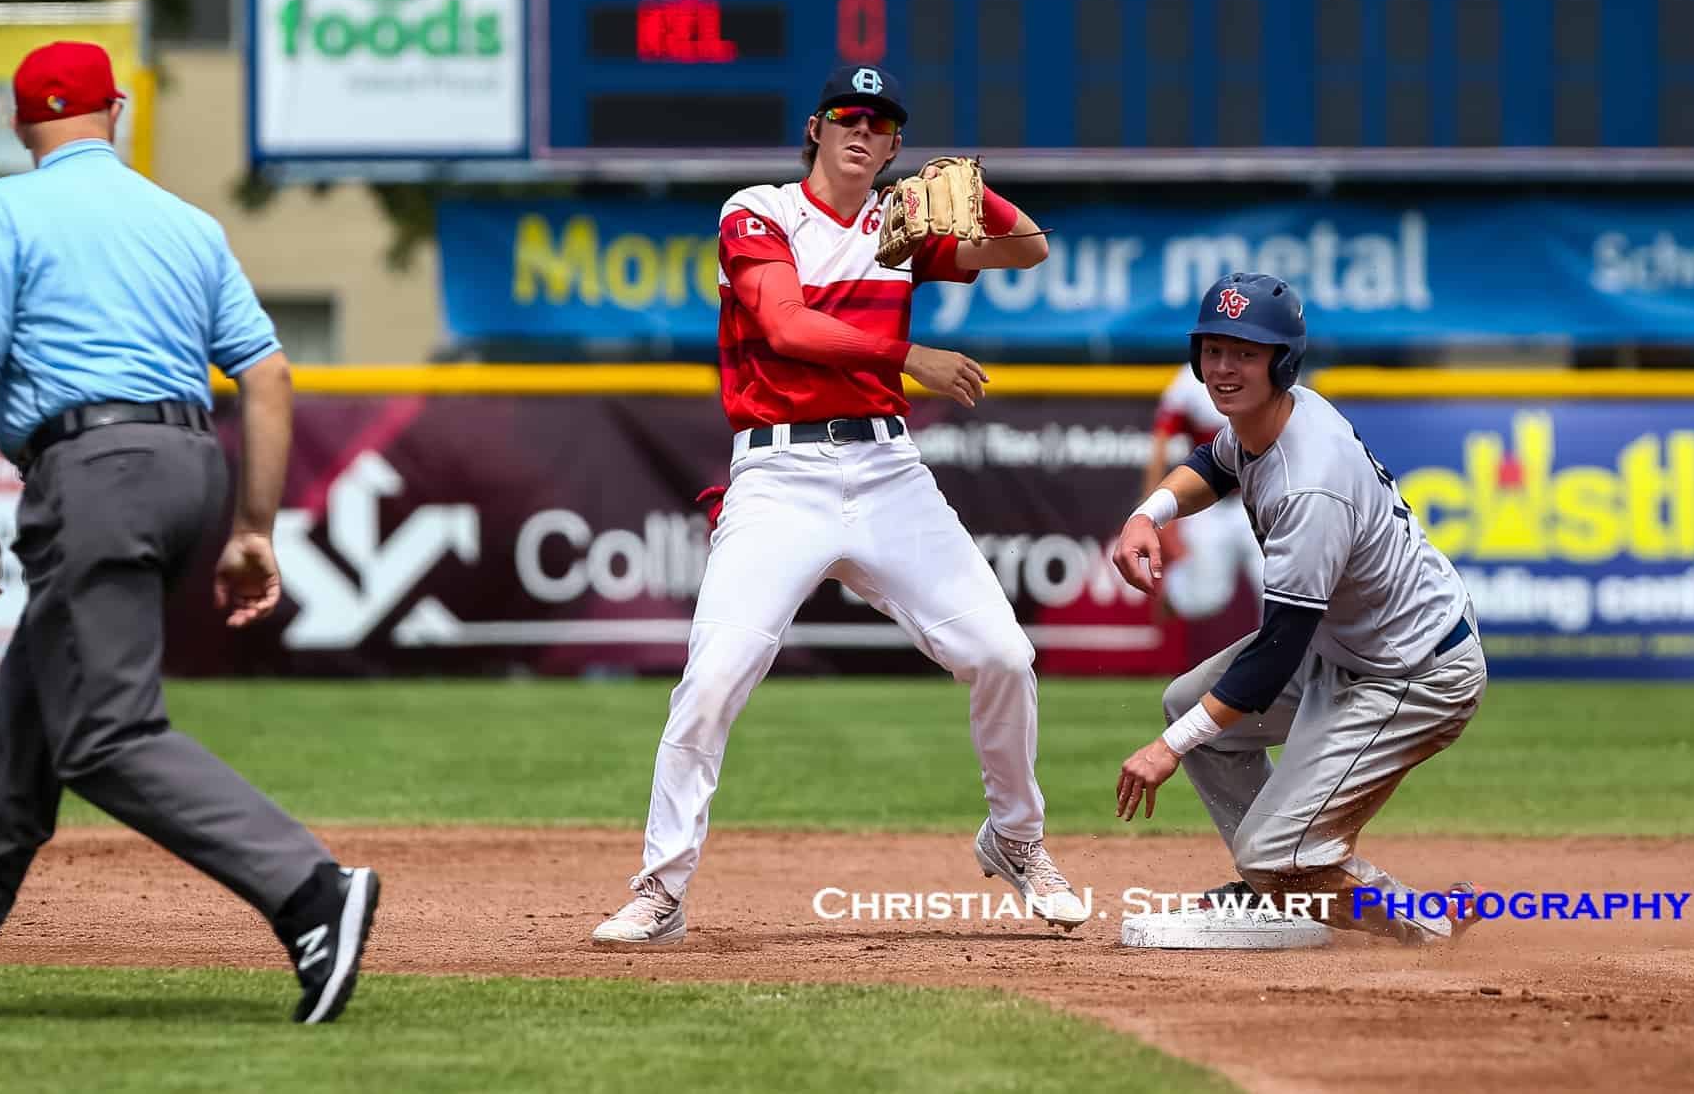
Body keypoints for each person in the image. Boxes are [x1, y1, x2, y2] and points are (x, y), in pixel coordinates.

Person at [0, 42, 378, 1023]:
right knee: (32, 719)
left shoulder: (1, 209)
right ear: (113, 111)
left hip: (92, 471)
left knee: (105, 735)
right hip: (192, 468)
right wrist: (251, 531)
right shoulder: (184, 222)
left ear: (21, 124)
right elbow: (269, 375)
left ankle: (307, 888)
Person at [592, 65, 1088, 945]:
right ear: (816, 129)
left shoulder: (896, 227)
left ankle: (1017, 838)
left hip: (890, 472)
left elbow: (1029, 250)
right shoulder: (759, 210)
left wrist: (978, 194)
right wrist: (909, 357)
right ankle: (660, 890)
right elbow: (784, 326)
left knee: (1004, 654)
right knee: (713, 678)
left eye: (883, 122)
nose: (864, 131)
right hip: (780, 480)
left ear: (896, 144)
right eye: (849, 117)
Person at [1110, 272, 1486, 944]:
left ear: (1282, 362)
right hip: (1348, 646)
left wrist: (1166, 751)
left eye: (1246, 353)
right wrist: (1149, 513)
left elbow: (1274, 652)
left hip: (1413, 673)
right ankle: (1279, 885)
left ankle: (1423, 920)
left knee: (1266, 844)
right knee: (1189, 702)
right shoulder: (1272, 419)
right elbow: (1214, 464)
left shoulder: (1310, 484)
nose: (1225, 367)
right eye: (1215, 349)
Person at [1142, 362, 1263, 624]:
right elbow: (1162, 439)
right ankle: (1169, 599)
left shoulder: (1269, 368)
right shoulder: (1190, 378)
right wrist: (1153, 510)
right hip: (1209, 506)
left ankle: (1283, 661)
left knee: (1274, 587)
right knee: (1206, 597)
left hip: (1258, 501)